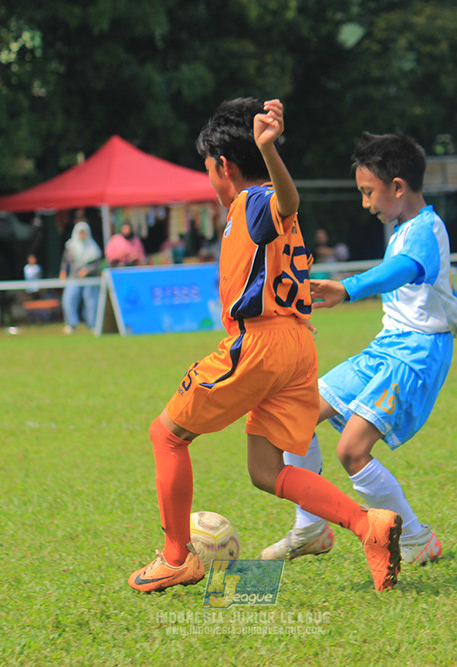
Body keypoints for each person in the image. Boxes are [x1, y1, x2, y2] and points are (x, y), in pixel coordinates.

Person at [128, 98, 404, 594]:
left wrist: (268, 149)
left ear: (222, 166)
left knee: (166, 435)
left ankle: (176, 559)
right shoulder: (258, 210)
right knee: (265, 470)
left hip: (259, 343)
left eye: (209, 171)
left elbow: (286, 202)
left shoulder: (253, 201)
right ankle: (369, 526)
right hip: (296, 345)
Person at [258, 132, 457, 566]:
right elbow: (436, 296)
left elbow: (403, 272)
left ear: (397, 187)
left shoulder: (425, 228)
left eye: (368, 192)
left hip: (413, 359)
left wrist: (348, 287)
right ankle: (310, 528)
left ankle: (417, 539)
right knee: (297, 413)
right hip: (387, 349)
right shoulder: (405, 229)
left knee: (351, 450)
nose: (366, 203)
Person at [60, 219, 102, 333]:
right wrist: (63, 271)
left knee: (91, 302)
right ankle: (71, 324)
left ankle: (92, 324)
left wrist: (87, 270)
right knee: (68, 300)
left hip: (89, 278)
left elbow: (97, 263)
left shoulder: (93, 247)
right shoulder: (70, 246)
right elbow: (65, 261)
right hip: (74, 277)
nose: (82, 235)